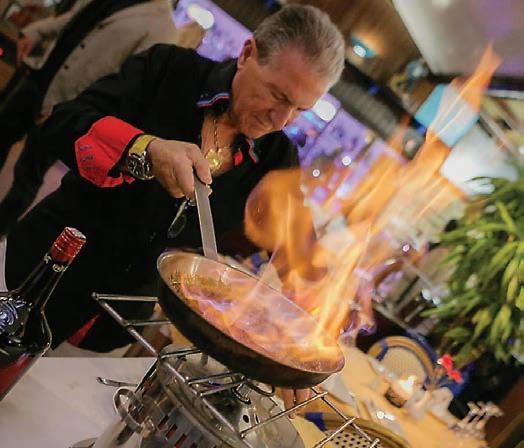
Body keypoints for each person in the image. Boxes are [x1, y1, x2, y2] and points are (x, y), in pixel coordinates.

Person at [3, 5, 345, 405]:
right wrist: (143, 149)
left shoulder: (276, 158)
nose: (281, 119)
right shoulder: (169, 69)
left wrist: (309, 321)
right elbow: (64, 122)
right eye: (277, 95)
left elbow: (297, 246)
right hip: (32, 282)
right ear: (248, 53)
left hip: (110, 330)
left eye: (300, 109)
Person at [0, 0, 183, 235]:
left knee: (27, 176)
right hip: (39, 78)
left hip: (66, 106)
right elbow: (71, 20)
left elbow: (127, 87)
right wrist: (35, 32)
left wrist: (78, 108)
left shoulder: (162, 28)